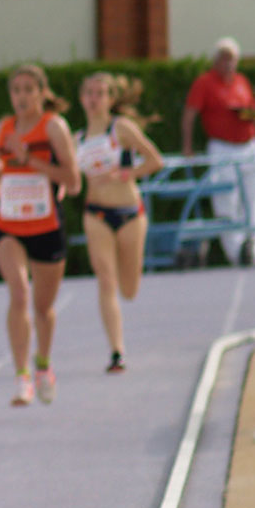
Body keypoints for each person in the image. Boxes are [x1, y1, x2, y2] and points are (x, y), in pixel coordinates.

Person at [0, 63, 81, 406]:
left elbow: (73, 181)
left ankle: (43, 365)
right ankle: (21, 377)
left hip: (46, 226)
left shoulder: (54, 127)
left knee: (42, 307)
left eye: (29, 89)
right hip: (9, 226)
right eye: (16, 90)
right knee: (19, 294)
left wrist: (29, 159)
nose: (22, 96)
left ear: (42, 93)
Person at [75, 73, 166, 374]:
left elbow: (155, 160)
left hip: (129, 213)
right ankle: (117, 352)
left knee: (129, 289)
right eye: (89, 93)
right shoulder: (76, 139)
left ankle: (118, 344)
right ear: (82, 98)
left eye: (100, 93)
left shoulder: (121, 128)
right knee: (105, 279)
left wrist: (127, 174)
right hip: (96, 214)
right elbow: (70, 178)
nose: (94, 99)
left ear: (110, 99)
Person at [180, 36, 255, 265]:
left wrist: (253, 116)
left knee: (252, 199)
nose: (228, 64)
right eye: (224, 58)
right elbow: (190, 114)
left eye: (232, 59)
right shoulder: (204, 82)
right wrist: (187, 146)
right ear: (216, 60)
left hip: (248, 145)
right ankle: (236, 253)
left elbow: (251, 109)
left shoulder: (241, 81)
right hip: (222, 147)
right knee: (226, 199)